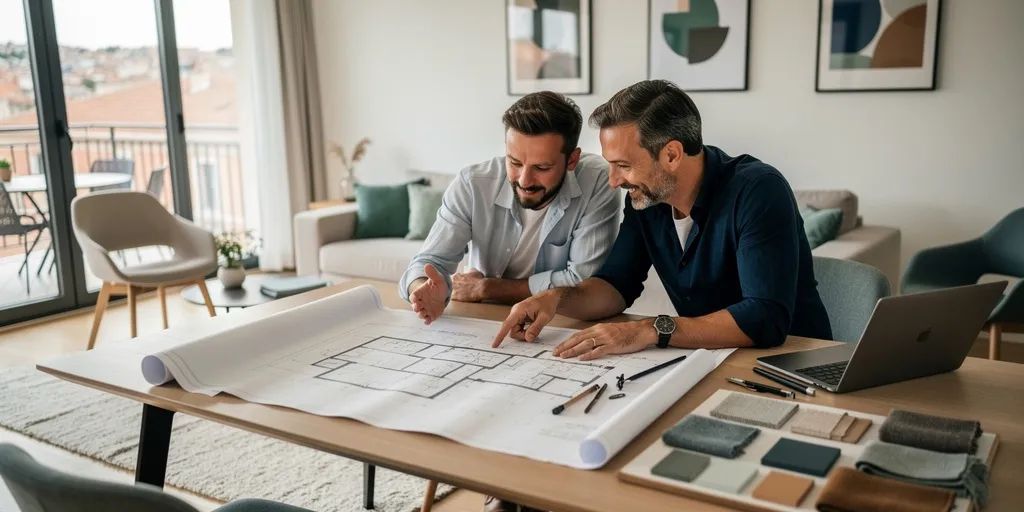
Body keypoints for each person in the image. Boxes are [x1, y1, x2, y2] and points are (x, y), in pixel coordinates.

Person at [493, 79, 832, 359]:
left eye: (623, 165)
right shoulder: (647, 199)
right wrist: (555, 298)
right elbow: (615, 286)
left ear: (671, 154)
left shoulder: (758, 190)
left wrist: (648, 329)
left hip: (793, 363)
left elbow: (765, 318)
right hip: (708, 359)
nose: (613, 181)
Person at [400, 91, 620, 326]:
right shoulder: (473, 184)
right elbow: (428, 261)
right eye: (514, 162)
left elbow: (584, 284)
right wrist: (422, 289)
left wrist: (487, 288)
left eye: (542, 168)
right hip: (483, 315)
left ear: (572, 160)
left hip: (558, 320)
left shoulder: (598, 181)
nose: (524, 180)